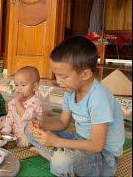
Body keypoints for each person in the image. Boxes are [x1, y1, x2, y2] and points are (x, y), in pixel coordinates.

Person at [24, 36, 125, 176]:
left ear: (85, 74)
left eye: (63, 76)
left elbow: (96, 145)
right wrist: (41, 124)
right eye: (56, 75)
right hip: (79, 141)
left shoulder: (99, 98)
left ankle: (56, 157)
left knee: (62, 162)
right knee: (29, 129)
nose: (58, 81)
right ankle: (58, 156)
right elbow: (62, 123)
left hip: (104, 157)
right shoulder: (70, 91)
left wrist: (57, 142)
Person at [0, 66, 43, 147]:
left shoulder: (35, 102)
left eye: (23, 85)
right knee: (3, 119)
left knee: (27, 140)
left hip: (26, 129)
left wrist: (18, 102)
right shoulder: (16, 100)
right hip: (14, 124)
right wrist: (6, 131)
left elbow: (26, 116)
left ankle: (15, 140)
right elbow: (10, 115)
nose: (18, 89)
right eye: (16, 85)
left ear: (34, 86)